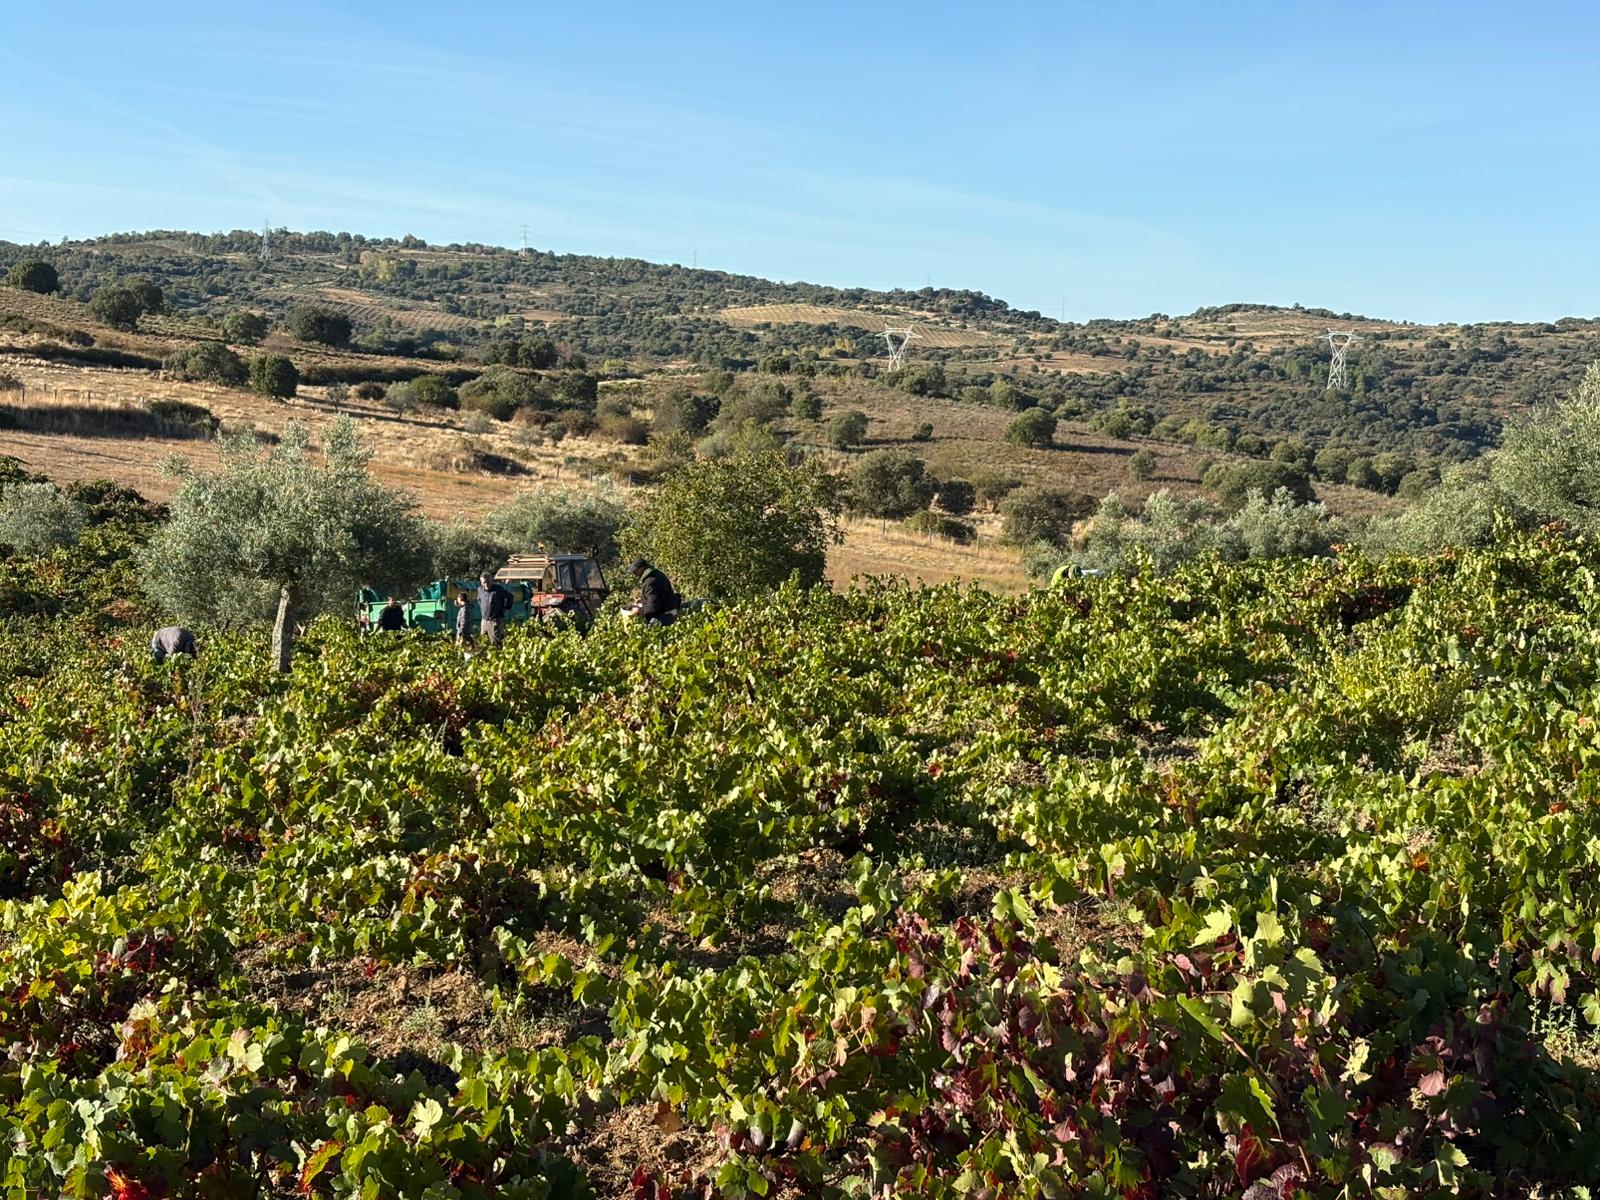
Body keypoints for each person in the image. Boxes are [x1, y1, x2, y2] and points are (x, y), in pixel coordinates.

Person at [625, 559, 681, 625]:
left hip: (665, 616)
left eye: (635, 572)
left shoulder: (650, 583)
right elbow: (659, 595)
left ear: (642, 568)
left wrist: (640, 610)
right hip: (671, 609)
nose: (634, 575)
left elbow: (653, 608)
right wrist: (644, 600)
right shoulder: (657, 573)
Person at [478, 572, 513, 647]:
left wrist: (506, 608)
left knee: (496, 644)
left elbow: (510, 597)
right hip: (484, 621)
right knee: (483, 643)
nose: (486, 585)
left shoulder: (498, 589)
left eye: (488, 582)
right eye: (484, 583)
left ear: (491, 581)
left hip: (494, 621)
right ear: (481, 582)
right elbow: (479, 600)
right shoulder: (480, 590)